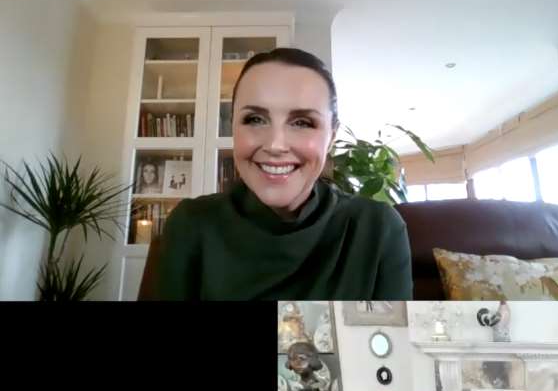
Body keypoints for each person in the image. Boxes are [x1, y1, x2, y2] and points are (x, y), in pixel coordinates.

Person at [139, 47, 413, 300]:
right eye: (255, 119)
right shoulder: (192, 224)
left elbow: (390, 349)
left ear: (331, 137)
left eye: (303, 122)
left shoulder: (378, 229)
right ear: (233, 126)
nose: (275, 145)